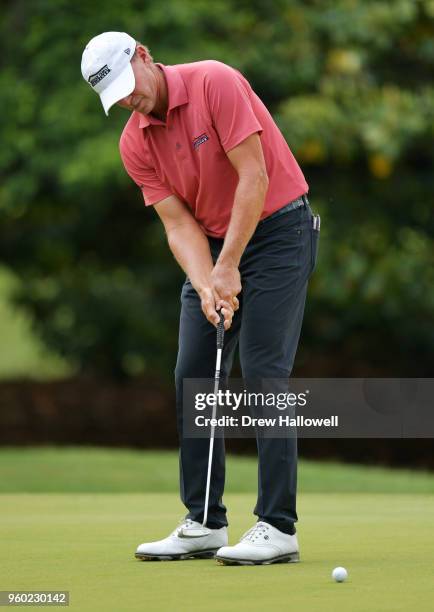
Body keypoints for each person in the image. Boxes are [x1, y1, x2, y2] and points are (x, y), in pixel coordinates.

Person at [81, 31, 319, 566]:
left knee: (263, 370)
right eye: (114, 96)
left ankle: (278, 527)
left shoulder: (215, 81)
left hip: (280, 231)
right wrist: (209, 279)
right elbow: (178, 225)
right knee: (193, 372)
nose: (127, 100)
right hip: (213, 245)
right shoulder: (134, 142)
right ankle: (205, 521)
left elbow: (253, 177)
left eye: (127, 86)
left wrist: (229, 265)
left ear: (143, 56)